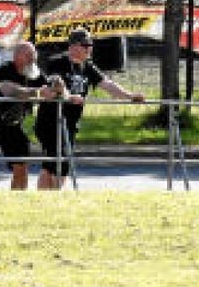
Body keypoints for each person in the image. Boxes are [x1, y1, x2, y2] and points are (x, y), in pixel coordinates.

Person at [34, 28, 146, 190]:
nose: (89, 48)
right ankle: (48, 199)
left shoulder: (88, 67)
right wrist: (69, 96)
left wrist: (130, 96)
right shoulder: (58, 62)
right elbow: (56, 84)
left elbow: (108, 84)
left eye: (90, 45)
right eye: (85, 45)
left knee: (57, 165)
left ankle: (50, 198)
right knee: (55, 164)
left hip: (70, 123)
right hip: (50, 121)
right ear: (72, 46)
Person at [0, 41, 64, 190]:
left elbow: (49, 87)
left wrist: (58, 86)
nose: (32, 59)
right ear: (16, 56)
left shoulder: (34, 72)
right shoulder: (6, 69)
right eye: (28, 55)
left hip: (14, 125)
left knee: (21, 166)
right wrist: (37, 92)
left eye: (34, 55)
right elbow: (9, 90)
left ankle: (19, 199)